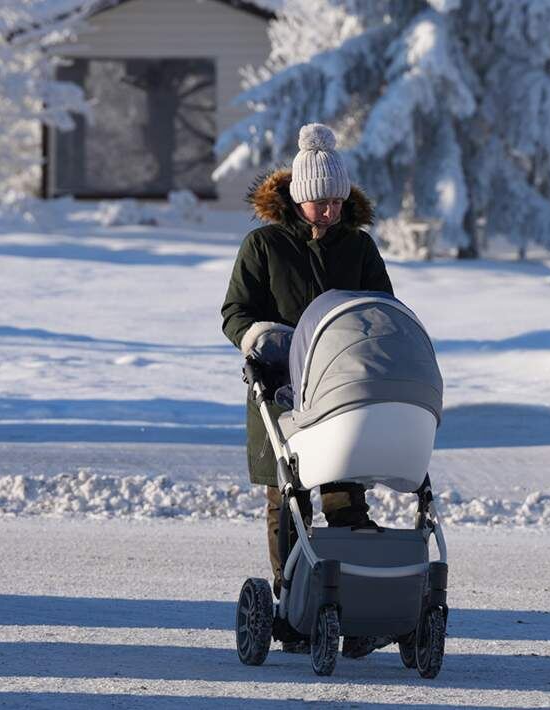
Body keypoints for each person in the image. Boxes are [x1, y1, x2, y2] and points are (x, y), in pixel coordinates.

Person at [220, 123, 394, 658]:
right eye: (321, 201)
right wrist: (258, 336)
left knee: (345, 494)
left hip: (342, 389)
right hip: (281, 389)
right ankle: (294, 603)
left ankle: (358, 604)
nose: (330, 211)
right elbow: (235, 311)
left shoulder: (358, 247)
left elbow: (382, 308)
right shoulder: (264, 245)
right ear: (299, 198)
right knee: (289, 499)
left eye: (337, 201)